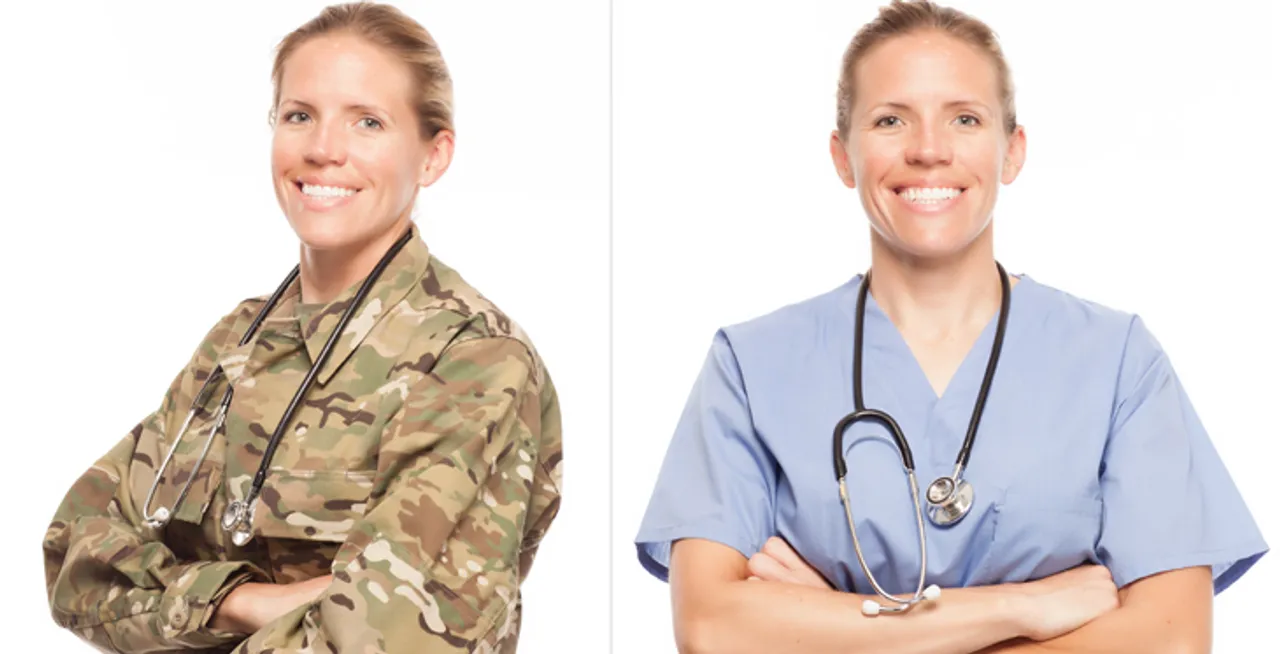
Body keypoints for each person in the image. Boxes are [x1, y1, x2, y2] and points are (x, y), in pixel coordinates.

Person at [633, 1, 1267, 652]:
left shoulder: (1116, 363)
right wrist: (1022, 605)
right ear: (843, 156)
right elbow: (712, 629)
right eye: (889, 120)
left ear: (1011, 151)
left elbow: (1173, 640)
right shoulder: (751, 367)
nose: (929, 150)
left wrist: (844, 627)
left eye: (964, 119)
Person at [41, 3, 562, 652]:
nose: (323, 150)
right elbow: (75, 555)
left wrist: (175, 605)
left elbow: (386, 637)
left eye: (367, 122)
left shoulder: (475, 361)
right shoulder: (237, 344)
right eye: (299, 116)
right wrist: (243, 601)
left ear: (433, 156)